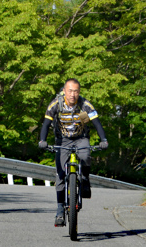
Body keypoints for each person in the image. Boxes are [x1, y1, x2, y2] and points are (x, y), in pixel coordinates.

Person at [37, 78, 108, 227]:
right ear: (64, 91)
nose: (73, 94)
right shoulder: (56, 104)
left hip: (80, 138)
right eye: (70, 91)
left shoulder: (84, 105)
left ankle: (85, 179)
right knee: (61, 175)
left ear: (79, 92)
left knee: (85, 155)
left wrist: (103, 140)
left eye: (76, 91)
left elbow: (96, 123)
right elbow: (46, 124)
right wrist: (42, 141)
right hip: (62, 140)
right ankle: (60, 209)